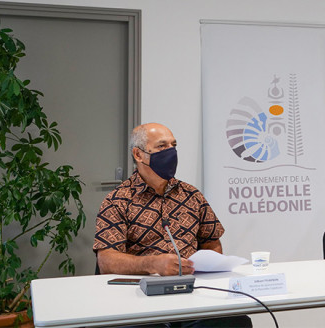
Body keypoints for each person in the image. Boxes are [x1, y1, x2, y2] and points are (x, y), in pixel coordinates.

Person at [93, 123, 252, 327]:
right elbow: (106, 261)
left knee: (236, 321)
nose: (170, 152)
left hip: (192, 296)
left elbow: (212, 242)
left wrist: (208, 267)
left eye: (173, 145)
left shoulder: (191, 195)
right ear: (138, 155)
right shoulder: (118, 200)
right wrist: (152, 264)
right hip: (139, 300)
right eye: (161, 146)